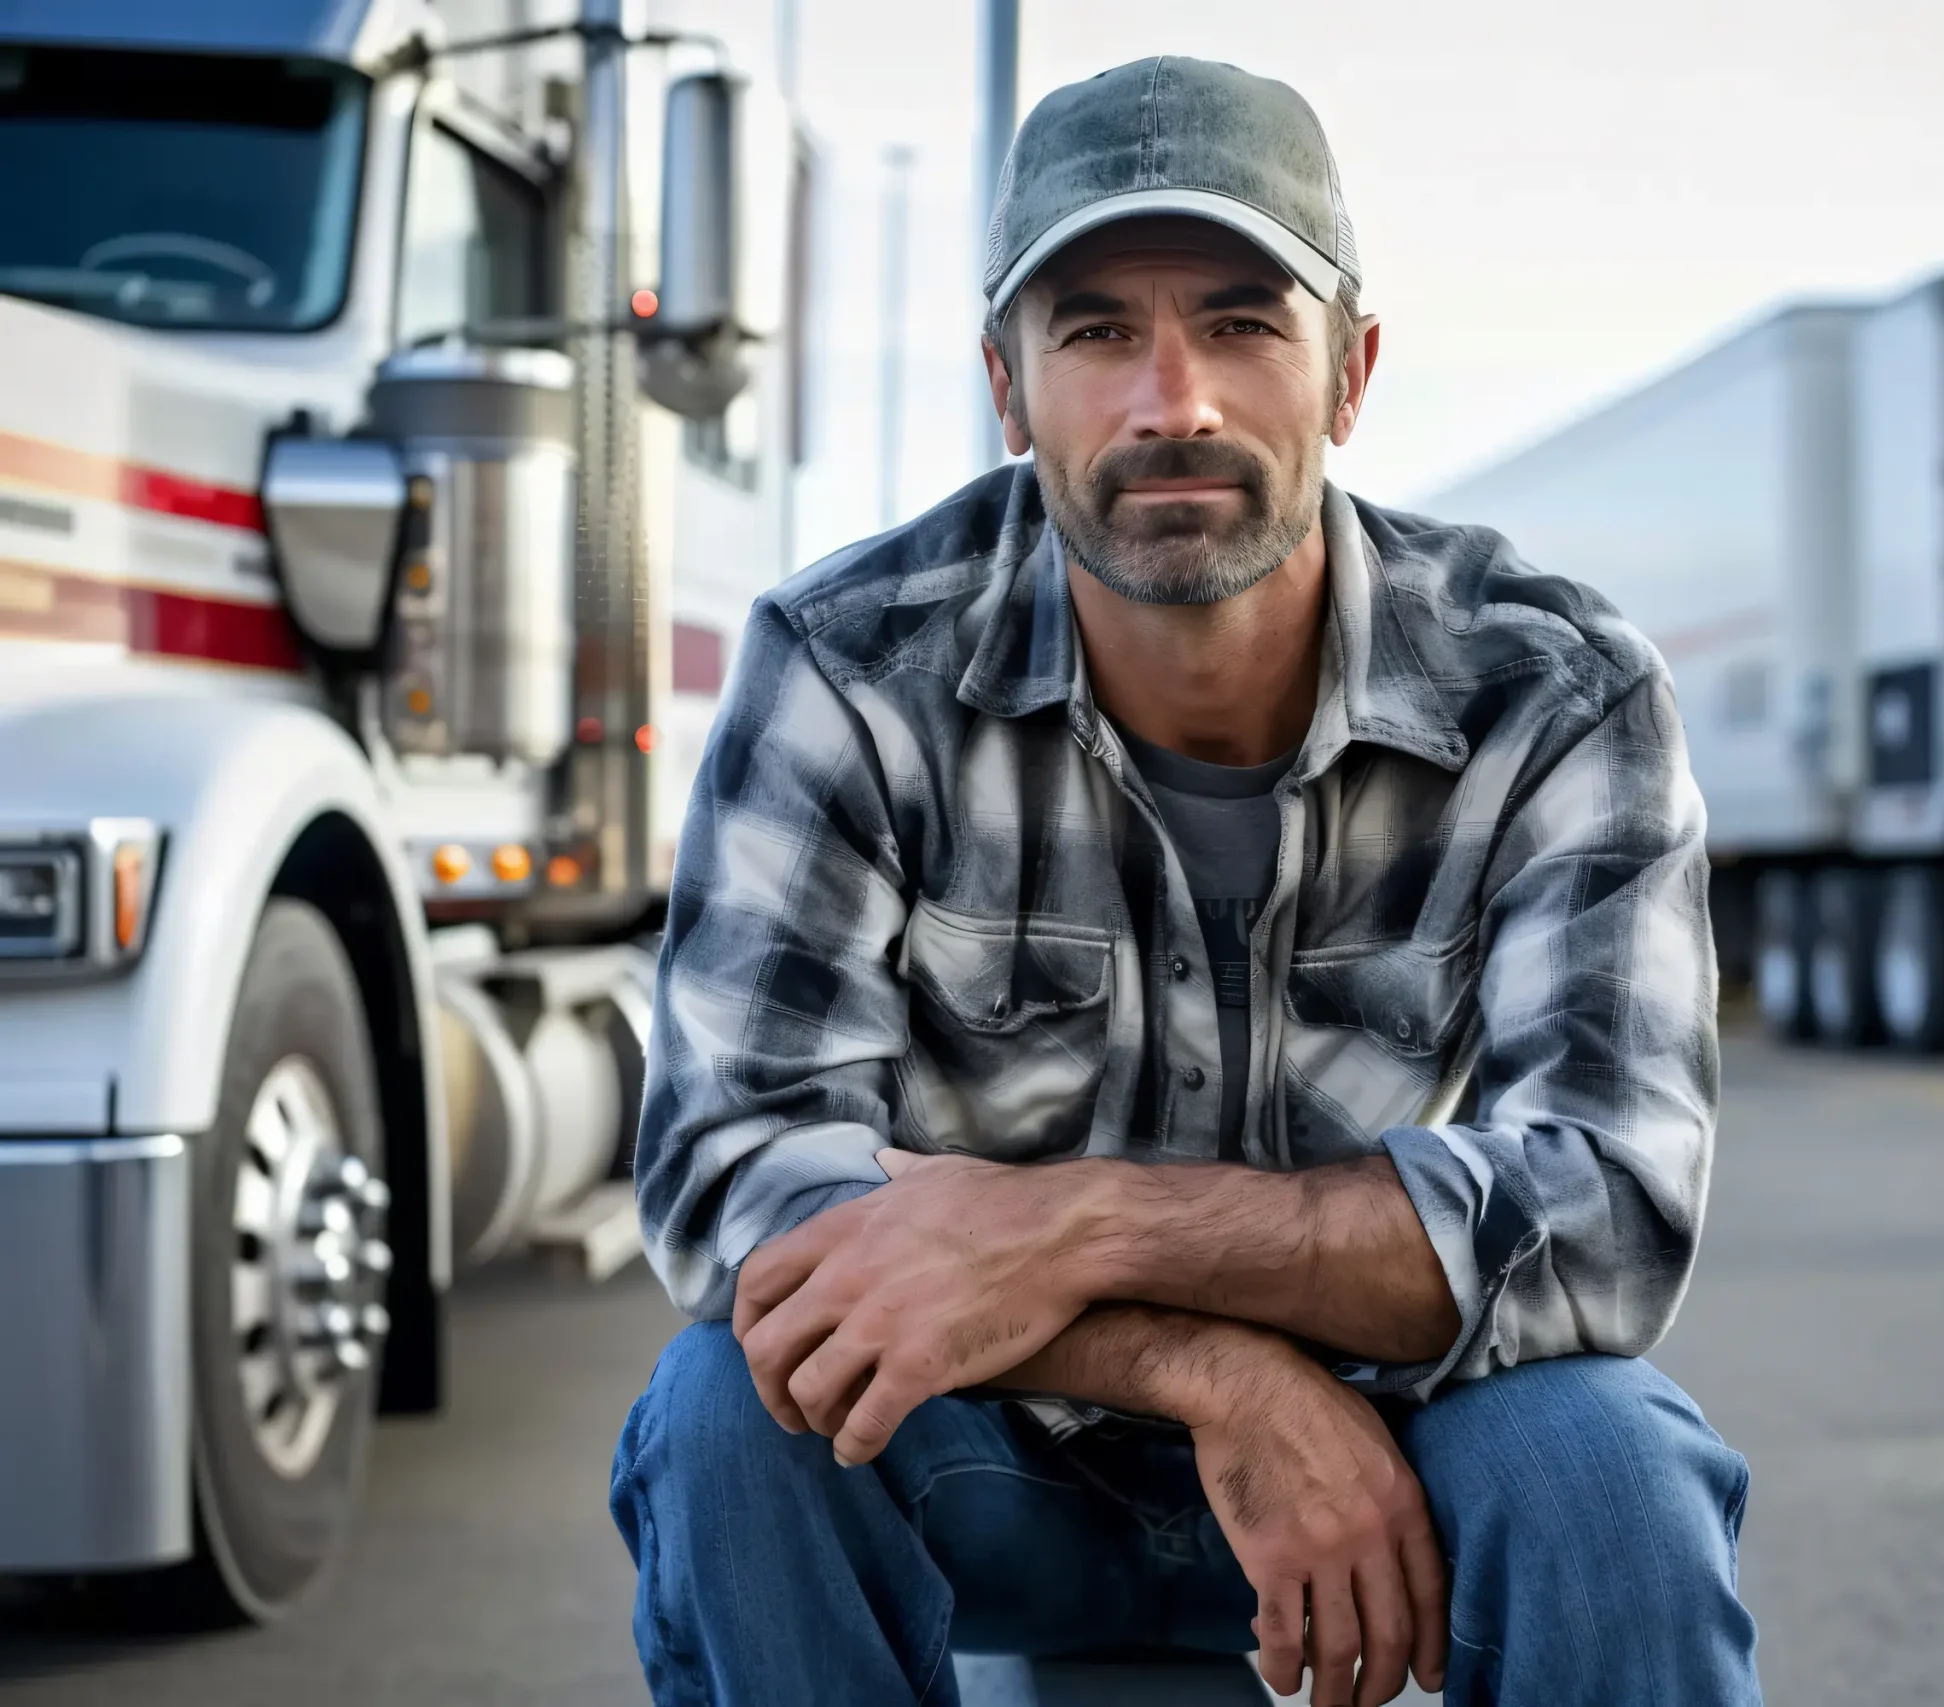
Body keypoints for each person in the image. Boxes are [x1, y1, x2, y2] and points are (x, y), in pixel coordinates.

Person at [611, 55, 1761, 1707]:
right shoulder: (851, 668)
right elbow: (734, 1176)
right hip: (994, 1451)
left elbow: (1610, 1212)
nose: (1175, 405)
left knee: (1612, 1470)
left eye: (1240, 324)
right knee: (735, 1410)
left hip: (1390, 1457)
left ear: (1351, 372)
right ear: (1008, 386)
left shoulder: (1551, 690)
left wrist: (1072, 1223)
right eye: (1095, 332)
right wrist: (1215, 1370)